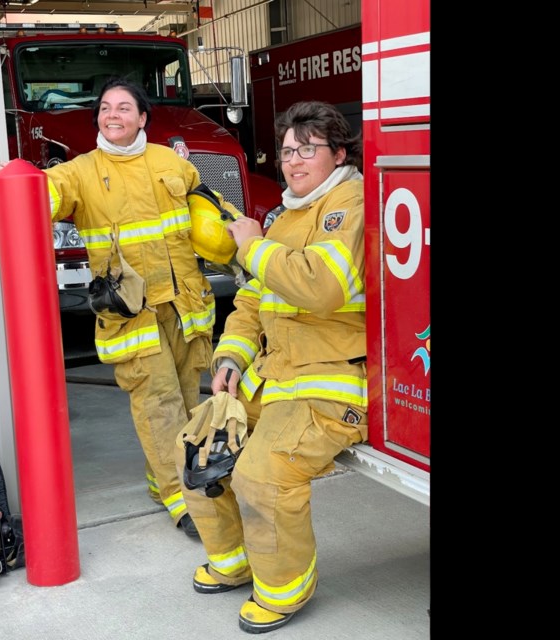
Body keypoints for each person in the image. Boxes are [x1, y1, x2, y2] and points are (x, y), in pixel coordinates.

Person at [0, 77, 239, 538]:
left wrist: (245, 240)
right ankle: (178, 496)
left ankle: (162, 474)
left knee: (188, 399)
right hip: (133, 313)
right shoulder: (80, 171)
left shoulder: (171, 161)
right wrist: (19, 180)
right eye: (106, 108)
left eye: (124, 108)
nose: (113, 115)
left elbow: (209, 207)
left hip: (186, 306)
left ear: (143, 117)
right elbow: (43, 194)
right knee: (158, 403)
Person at [176, 101, 368, 633]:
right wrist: (232, 356)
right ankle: (234, 563)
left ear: (339, 153)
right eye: (287, 151)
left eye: (308, 149)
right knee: (197, 442)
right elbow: (251, 305)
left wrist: (252, 247)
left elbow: (321, 287)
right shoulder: (284, 216)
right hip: (275, 376)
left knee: (265, 473)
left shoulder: (351, 205)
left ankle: (284, 590)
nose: (294, 161)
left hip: (334, 384)